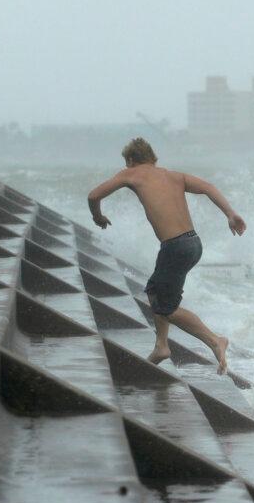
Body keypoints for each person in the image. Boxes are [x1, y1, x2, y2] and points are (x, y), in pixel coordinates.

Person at [87, 138, 245, 374]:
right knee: (155, 291)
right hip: (193, 243)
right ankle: (161, 345)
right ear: (153, 158)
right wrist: (230, 214)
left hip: (174, 247)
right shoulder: (175, 176)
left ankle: (215, 340)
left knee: (167, 308)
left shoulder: (131, 173)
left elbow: (93, 196)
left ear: (131, 160)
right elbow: (209, 188)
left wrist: (97, 217)